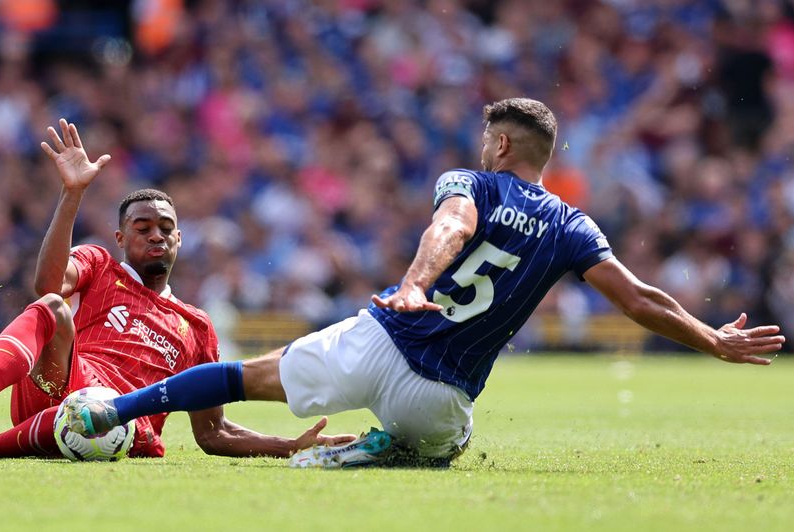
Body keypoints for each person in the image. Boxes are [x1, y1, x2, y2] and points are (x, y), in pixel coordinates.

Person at [64, 98, 785, 468]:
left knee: (239, 378)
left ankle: (111, 411)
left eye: (485, 138)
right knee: (447, 446)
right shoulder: (573, 225)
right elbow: (638, 300)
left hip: (380, 336)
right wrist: (708, 338)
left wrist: (413, 283)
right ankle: (382, 449)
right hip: (436, 397)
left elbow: (449, 226)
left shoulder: (469, 180)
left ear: (500, 145)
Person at [0, 119, 353, 459]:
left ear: (179, 239)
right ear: (121, 238)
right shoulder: (100, 265)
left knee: (91, 412)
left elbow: (214, 434)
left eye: (165, 227)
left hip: (124, 427)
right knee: (53, 305)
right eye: (142, 226)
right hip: (59, 383)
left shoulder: (198, 326)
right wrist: (72, 194)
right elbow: (47, 285)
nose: (155, 235)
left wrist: (289, 445)